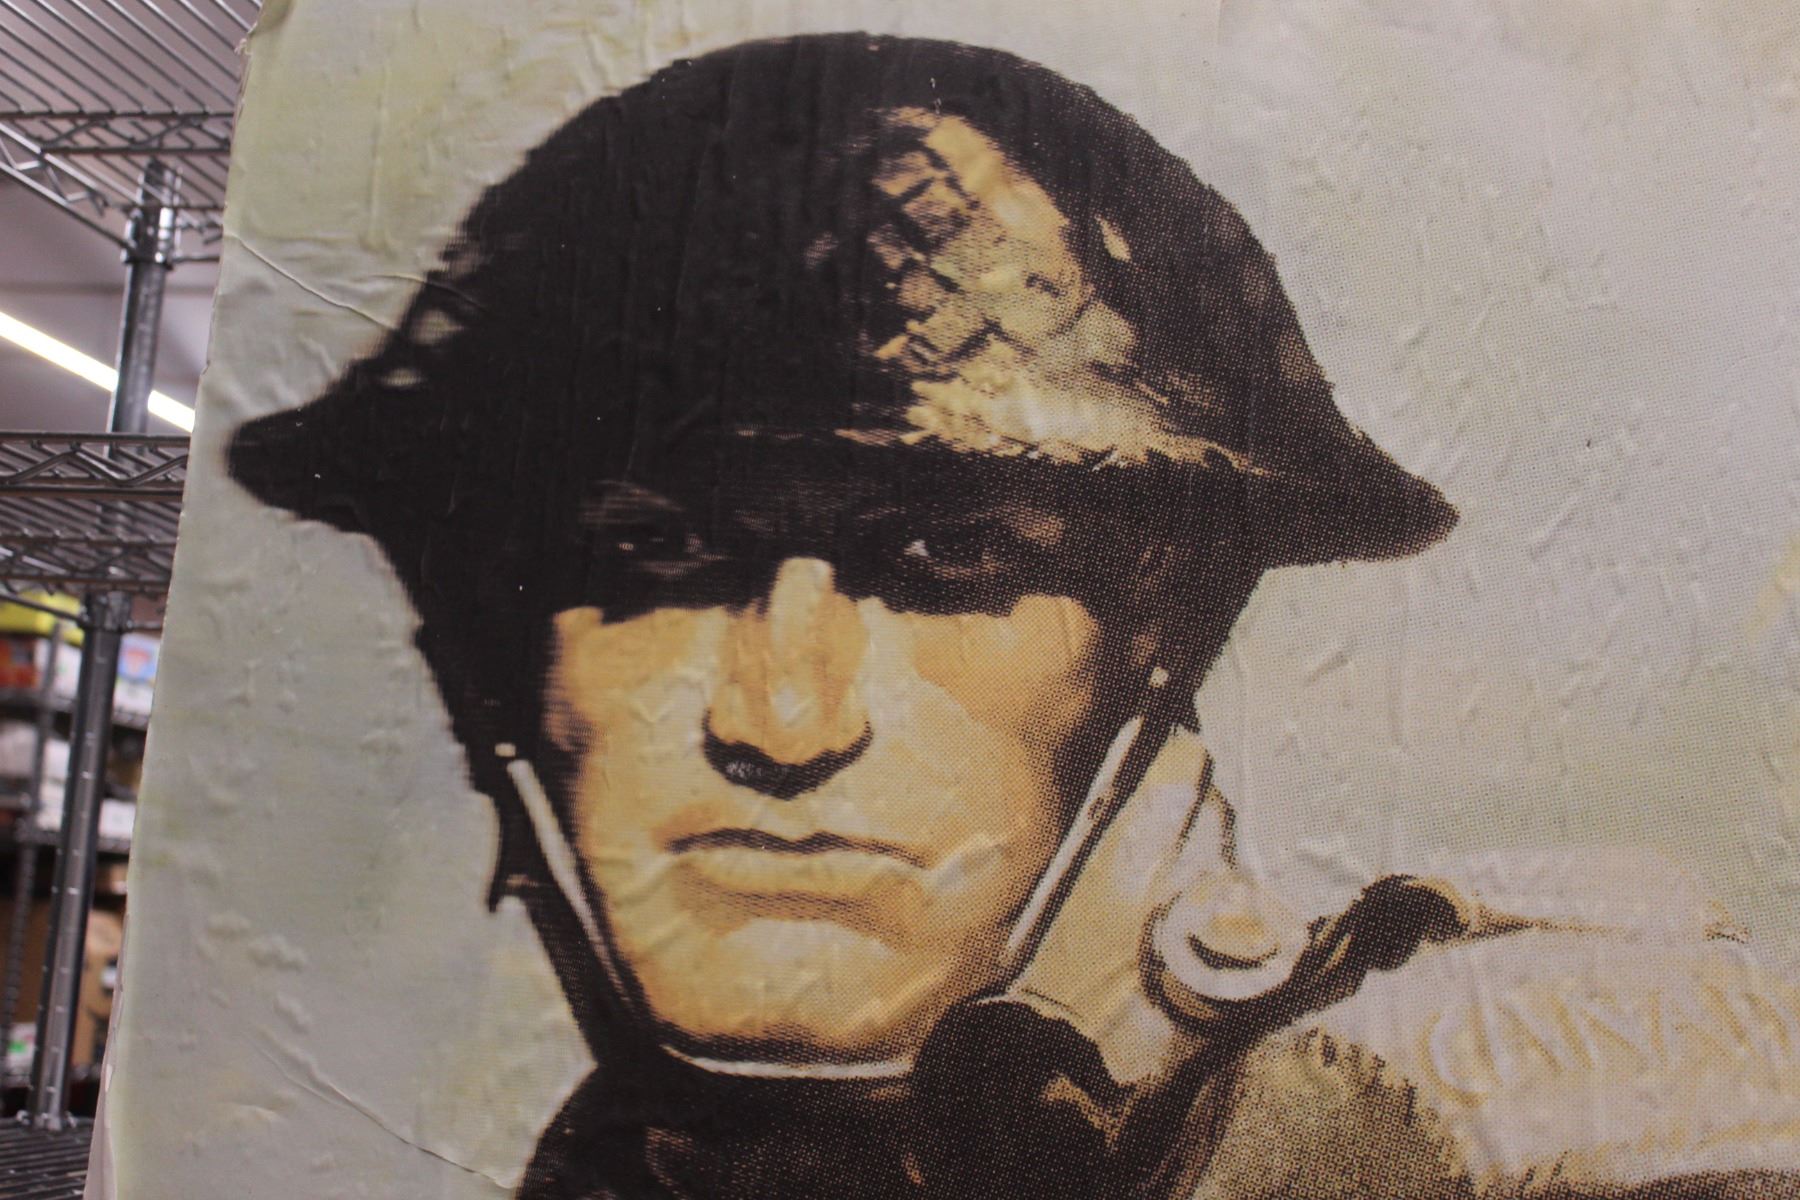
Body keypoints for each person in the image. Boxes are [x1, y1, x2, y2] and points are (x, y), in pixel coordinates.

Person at [226, 33, 1800, 1200]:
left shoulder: (1512, 1117)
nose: (785, 720)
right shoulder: (614, 1166)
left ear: (1156, 638)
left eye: (948, 560)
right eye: (655, 555)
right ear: (501, 666)